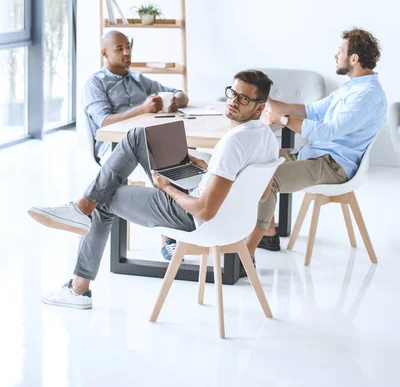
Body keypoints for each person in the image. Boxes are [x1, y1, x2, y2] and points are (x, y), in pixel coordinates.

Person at [28, 70, 279, 309]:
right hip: (228, 217)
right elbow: (263, 193)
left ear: (259, 107)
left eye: (243, 98)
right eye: (232, 93)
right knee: (138, 136)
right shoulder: (267, 136)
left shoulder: (233, 143)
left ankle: (78, 287)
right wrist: (210, 168)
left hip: (192, 216)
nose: (234, 101)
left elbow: (204, 210)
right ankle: (82, 208)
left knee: (105, 196)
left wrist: (167, 187)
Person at [246, 28, 387, 259]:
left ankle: (246, 253)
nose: (335, 55)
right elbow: (312, 110)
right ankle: (269, 233)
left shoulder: (366, 96)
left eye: (340, 51)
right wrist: (267, 98)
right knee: (256, 160)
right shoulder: (352, 87)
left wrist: (282, 119)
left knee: (265, 179)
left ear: (354, 58)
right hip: (316, 155)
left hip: (333, 165)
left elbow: (327, 132)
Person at [84, 30, 189, 260]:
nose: (127, 52)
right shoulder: (96, 83)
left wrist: (175, 102)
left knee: (172, 151)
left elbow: (181, 94)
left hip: (148, 145)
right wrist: (141, 110)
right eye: (119, 48)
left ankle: (176, 228)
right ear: (104, 53)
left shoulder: (139, 80)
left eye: (128, 47)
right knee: (163, 154)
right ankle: (172, 235)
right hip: (114, 148)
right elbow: (103, 122)